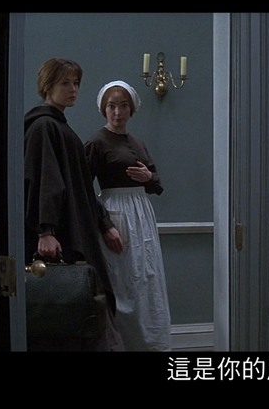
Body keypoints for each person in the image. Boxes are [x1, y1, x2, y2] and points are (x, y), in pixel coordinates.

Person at [24, 58, 124, 351]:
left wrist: (104, 224)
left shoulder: (59, 126)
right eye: (65, 83)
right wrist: (45, 230)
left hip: (76, 228)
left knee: (86, 309)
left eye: (76, 83)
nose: (73, 89)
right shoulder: (44, 126)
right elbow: (44, 179)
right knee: (70, 313)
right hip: (61, 236)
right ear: (48, 86)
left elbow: (81, 186)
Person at [84, 80, 172, 351]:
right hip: (116, 213)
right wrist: (105, 225)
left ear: (131, 110)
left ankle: (152, 344)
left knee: (147, 278)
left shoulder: (137, 142)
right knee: (122, 281)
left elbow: (157, 185)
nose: (118, 112)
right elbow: (83, 188)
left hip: (141, 214)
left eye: (123, 106)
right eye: (112, 106)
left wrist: (148, 178)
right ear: (103, 109)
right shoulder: (97, 142)